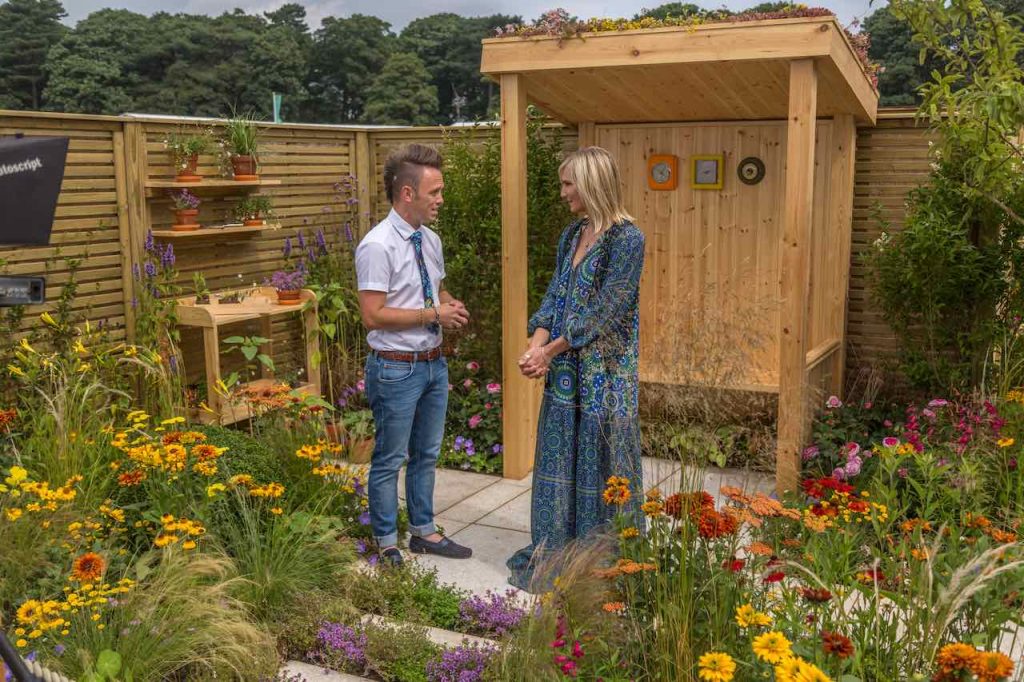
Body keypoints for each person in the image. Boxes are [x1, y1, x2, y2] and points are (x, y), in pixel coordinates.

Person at [507, 146, 645, 591]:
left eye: (569, 184)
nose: (563, 191)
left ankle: (604, 562)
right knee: (559, 458)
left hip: (605, 378)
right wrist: (535, 348)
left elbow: (605, 312)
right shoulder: (572, 235)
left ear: (591, 185)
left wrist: (549, 352)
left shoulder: (627, 240)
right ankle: (558, 551)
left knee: (601, 465)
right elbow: (554, 298)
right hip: (566, 374)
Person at [355, 143, 473, 567]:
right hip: (395, 369)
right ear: (408, 193)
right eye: (435, 192)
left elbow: (434, 289)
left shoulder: (431, 240)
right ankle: (387, 541)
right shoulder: (377, 246)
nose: (441, 200)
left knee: (427, 454)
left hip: (432, 365)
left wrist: (449, 306)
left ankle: (424, 532)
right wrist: (432, 312)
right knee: (390, 457)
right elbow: (373, 315)